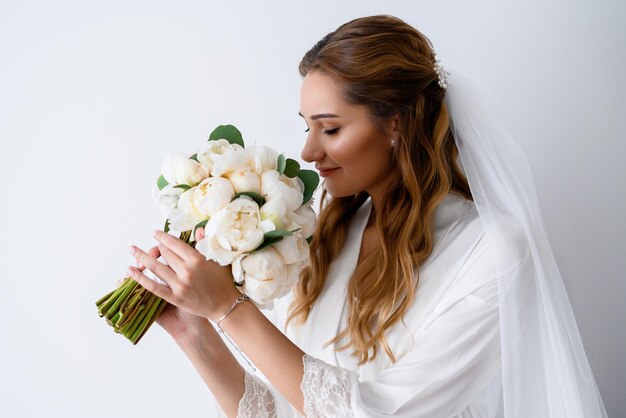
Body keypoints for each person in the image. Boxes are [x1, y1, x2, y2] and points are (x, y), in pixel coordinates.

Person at [126, 15, 608, 417]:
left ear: (395, 122)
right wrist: (194, 330)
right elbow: (290, 409)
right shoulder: (330, 233)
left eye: (329, 128)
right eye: (307, 127)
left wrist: (229, 308)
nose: (309, 151)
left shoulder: (491, 252)